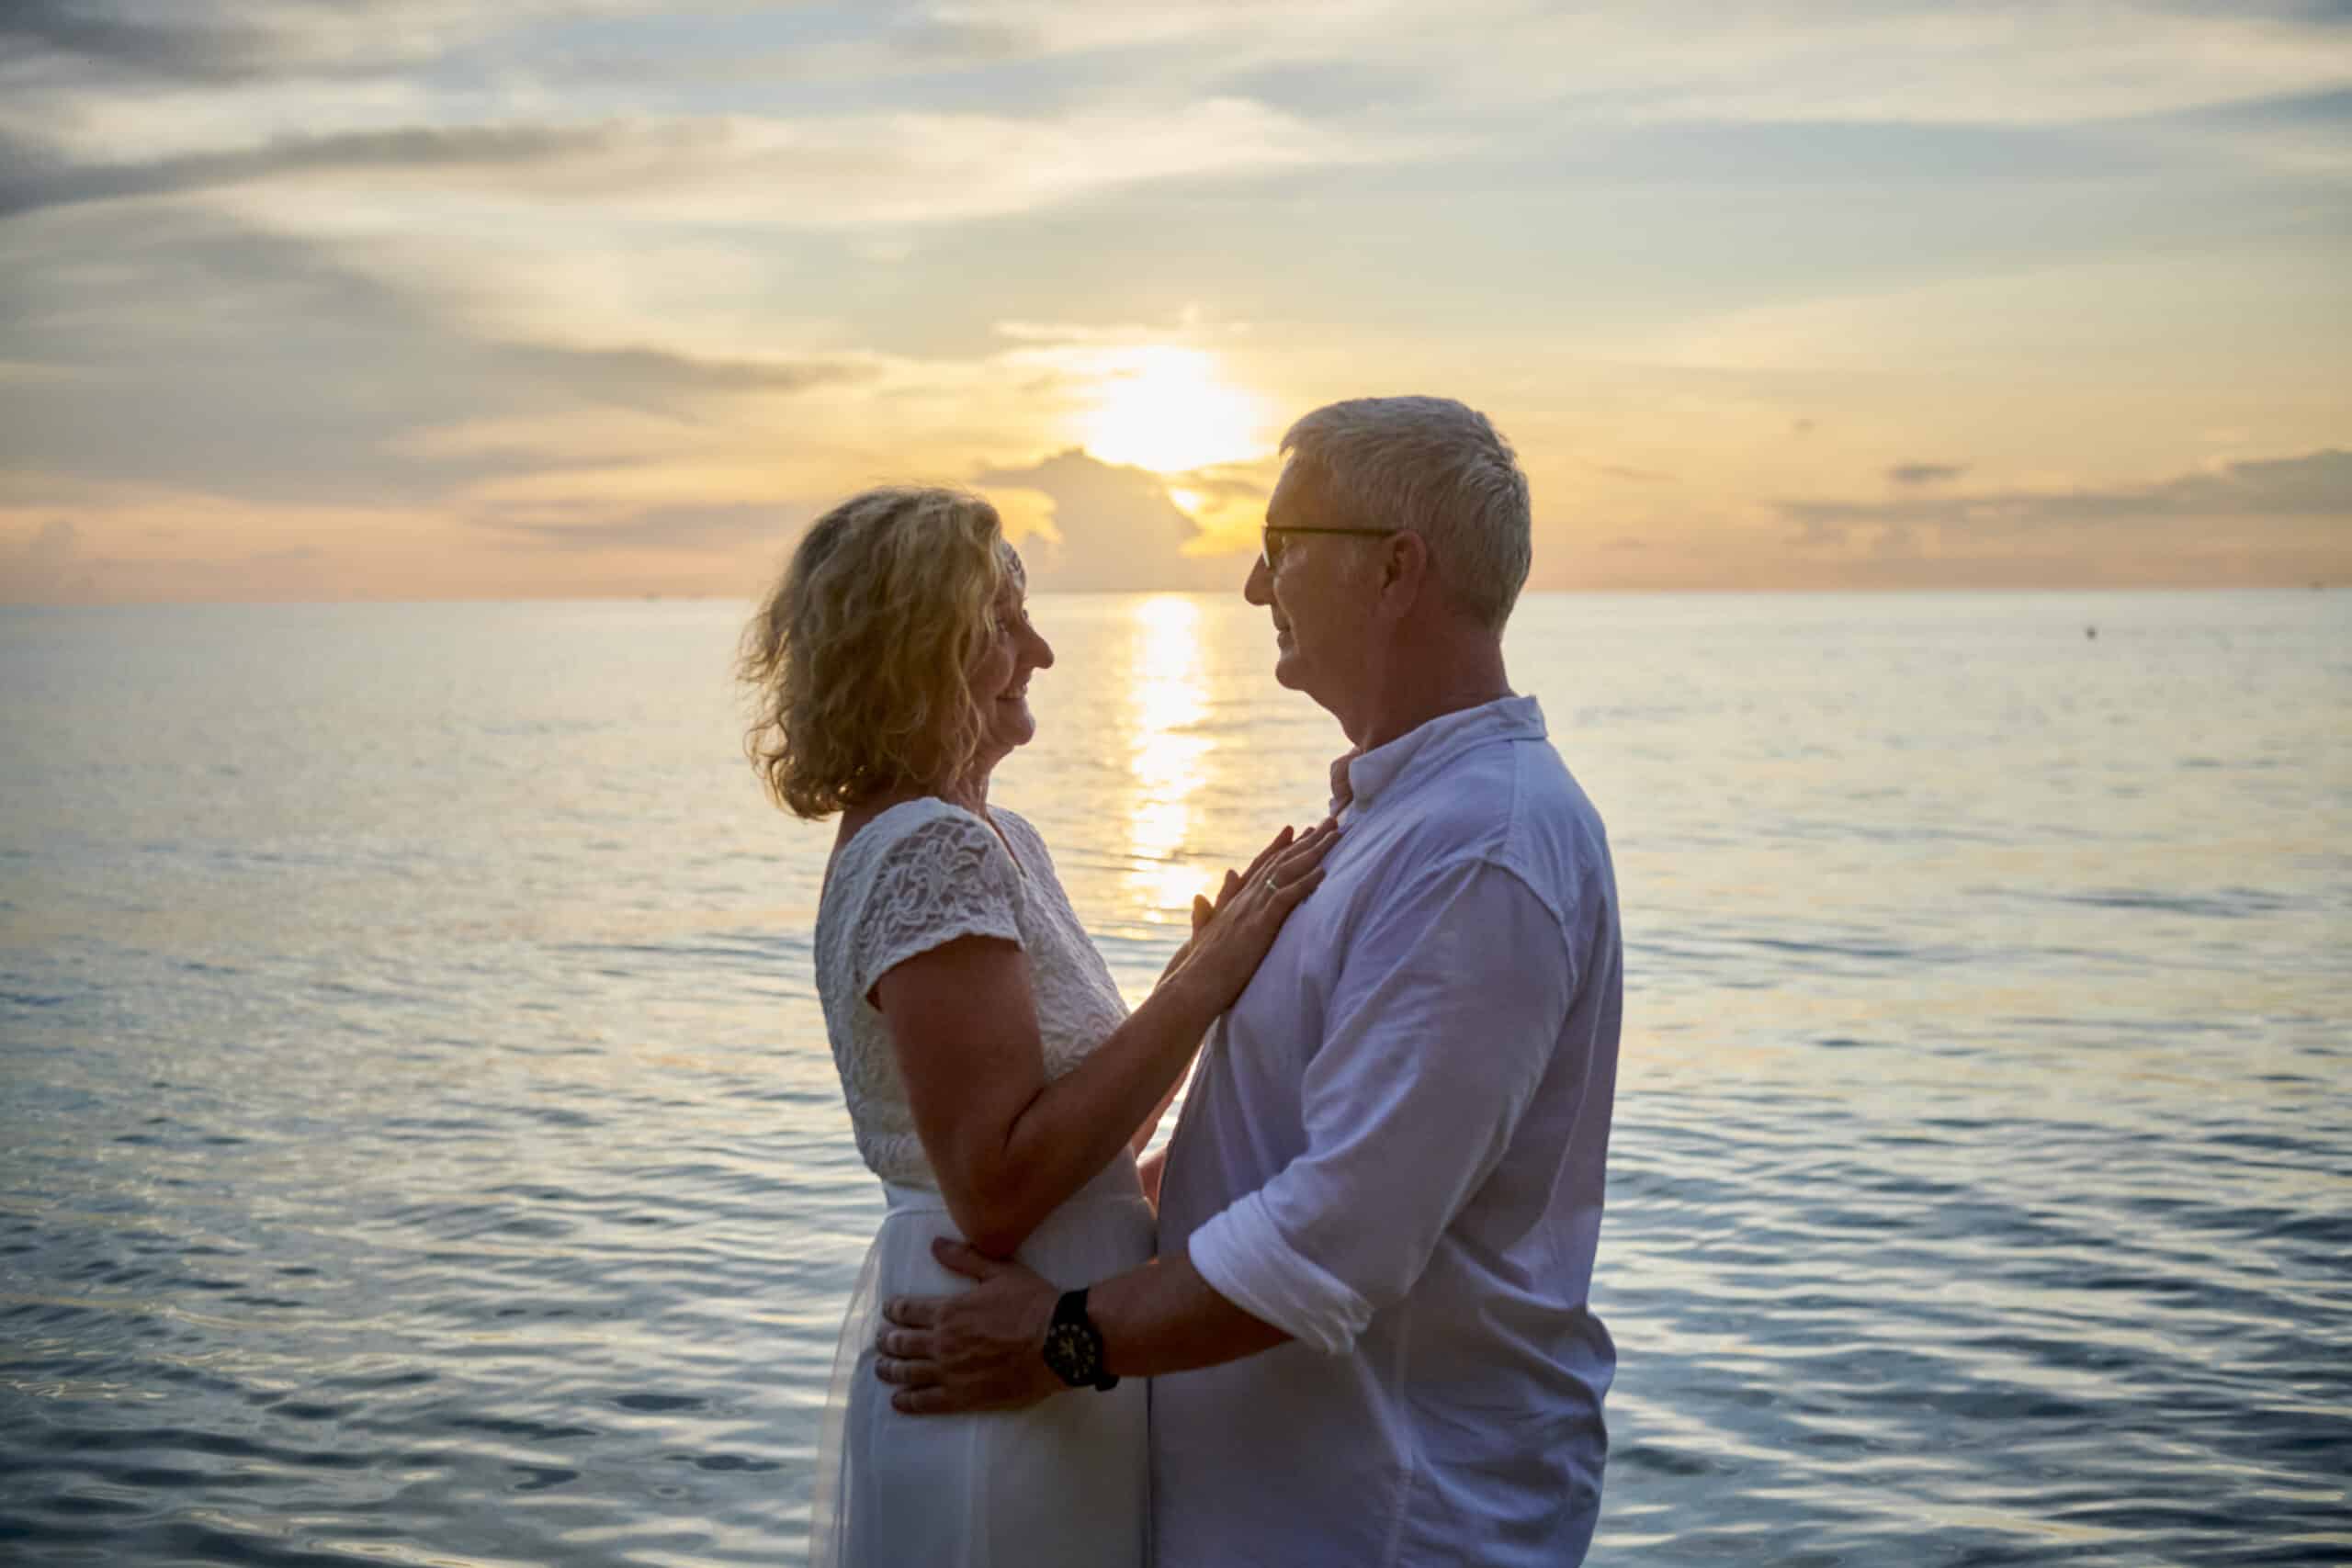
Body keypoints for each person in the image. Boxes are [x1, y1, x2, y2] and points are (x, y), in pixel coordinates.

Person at [875, 398, 1624, 1565]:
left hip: (1382, 1524)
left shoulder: (1481, 852)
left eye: (1280, 547)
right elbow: (1280, 1156)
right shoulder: (1393, 824)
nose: (1251, 587)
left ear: (1393, 568)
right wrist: (1088, 1226)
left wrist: (1060, 1337)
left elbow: (1340, 1236)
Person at [739, 486, 1338, 1568]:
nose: (1044, 651)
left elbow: (1080, 1141)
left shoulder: (989, 834)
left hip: (1044, 1339)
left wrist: (1199, 981)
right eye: (1006, 624)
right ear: (924, 649)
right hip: (993, 1351)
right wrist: (1200, 988)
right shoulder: (931, 848)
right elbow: (1000, 1189)